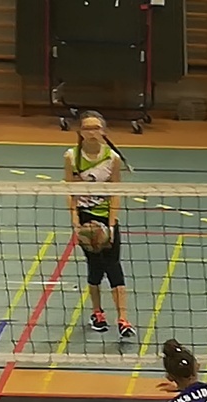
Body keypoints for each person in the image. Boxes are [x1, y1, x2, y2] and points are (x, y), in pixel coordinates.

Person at [63, 111, 135, 338]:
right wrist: (76, 223)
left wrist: (111, 225)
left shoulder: (112, 158)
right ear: (80, 132)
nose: (92, 132)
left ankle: (123, 319)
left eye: (96, 128)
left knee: (114, 266)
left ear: (103, 131)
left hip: (106, 218)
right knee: (94, 268)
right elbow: (70, 191)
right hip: (85, 218)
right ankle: (97, 313)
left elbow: (115, 193)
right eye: (87, 128)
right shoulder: (71, 157)